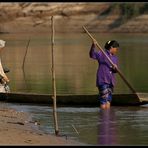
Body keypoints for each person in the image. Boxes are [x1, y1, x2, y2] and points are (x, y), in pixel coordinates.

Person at [89, 40, 119, 109]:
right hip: (103, 80)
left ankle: (107, 117)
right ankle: (103, 117)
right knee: (103, 100)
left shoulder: (115, 58)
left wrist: (115, 68)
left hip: (111, 82)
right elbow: (92, 55)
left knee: (108, 100)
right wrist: (93, 46)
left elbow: (115, 71)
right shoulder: (102, 54)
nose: (116, 50)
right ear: (111, 47)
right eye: (116, 49)